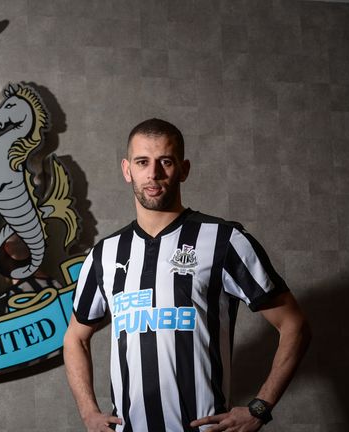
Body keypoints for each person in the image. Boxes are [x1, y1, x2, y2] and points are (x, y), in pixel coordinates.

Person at [63, 118, 310, 432]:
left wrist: (259, 408)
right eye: (142, 162)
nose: (153, 174)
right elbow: (75, 338)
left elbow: (295, 325)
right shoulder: (105, 254)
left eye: (165, 162)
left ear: (184, 169)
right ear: (127, 170)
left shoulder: (224, 240)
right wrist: (89, 413)